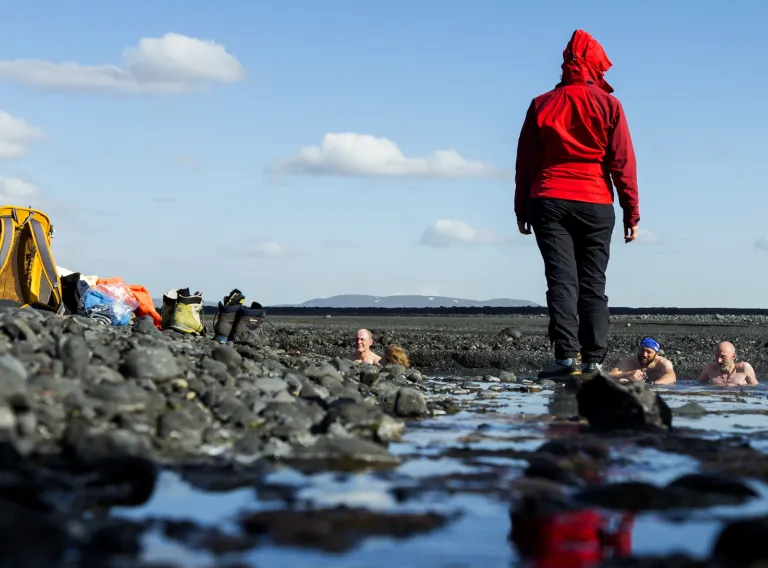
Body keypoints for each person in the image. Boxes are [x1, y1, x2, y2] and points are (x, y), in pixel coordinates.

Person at [514, 30, 640, 380]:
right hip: (595, 201)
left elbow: (525, 163)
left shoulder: (541, 104)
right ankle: (595, 362)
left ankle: (567, 359)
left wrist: (520, 207)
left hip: (548, 198)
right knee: (593, 284)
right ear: (595, 65)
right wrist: (632, 212)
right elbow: (623, 163)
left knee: (561, 281)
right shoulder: (610, 105)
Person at [608, 337, 676, 385]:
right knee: (621, 380)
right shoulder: (629, 361)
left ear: (656, 354)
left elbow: (671, 378)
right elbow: (609, 376)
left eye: (648, 352)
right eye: (642, 350)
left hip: (656, 389)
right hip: (634, 391)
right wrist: (627, 374)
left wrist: (652, 384)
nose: (644, 354)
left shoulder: (663, 363)